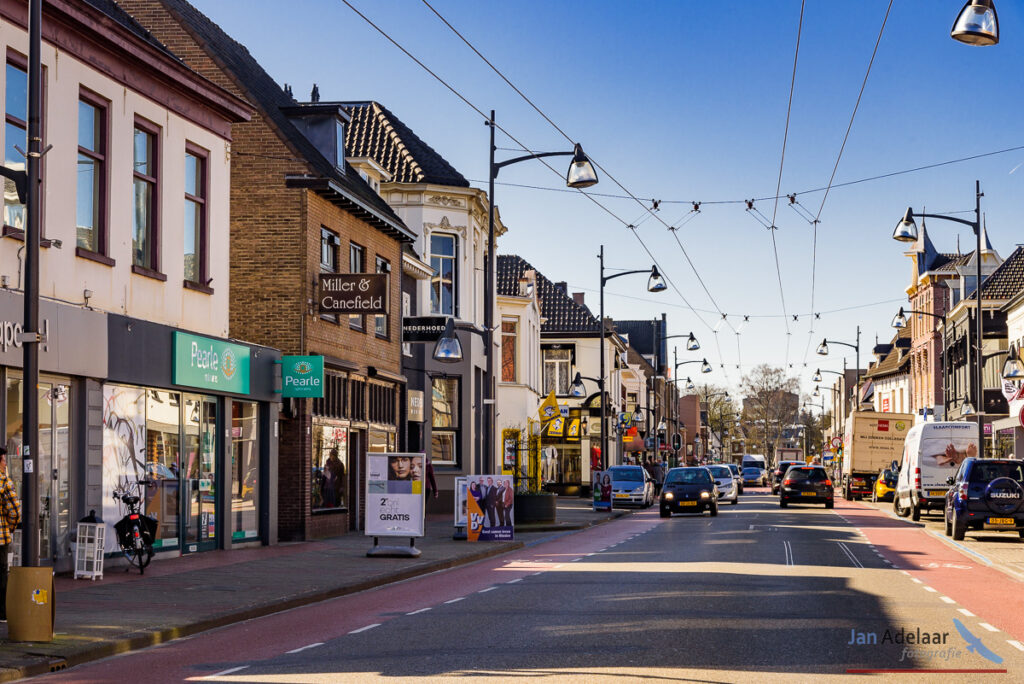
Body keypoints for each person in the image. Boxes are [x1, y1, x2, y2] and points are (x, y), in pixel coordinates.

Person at [0, 447, 22, 623]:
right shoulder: (4, 482)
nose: (6, 463)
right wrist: (9, 528)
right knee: (1, 575)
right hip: (0, 538)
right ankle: (2, 613)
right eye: (4, 460)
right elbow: (15, 511)